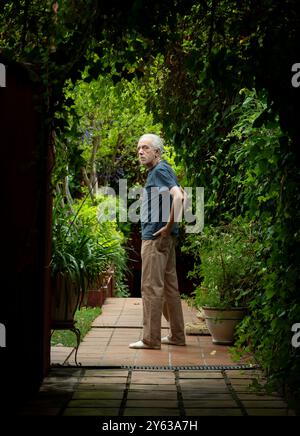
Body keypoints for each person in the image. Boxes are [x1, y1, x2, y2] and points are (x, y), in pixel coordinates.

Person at [129, 133, 186, 349]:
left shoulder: (160, 170)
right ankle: (177, 336)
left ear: (157, 152)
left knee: (151, 288)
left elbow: (179, 197)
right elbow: (183, 194)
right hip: (165, 238)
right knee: (170, 288)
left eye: (145, 148)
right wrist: (173, 227)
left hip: (155, 238)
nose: (140, 152)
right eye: (138, 148)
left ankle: (151, 339)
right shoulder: (164, 169)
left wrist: (169, 226)